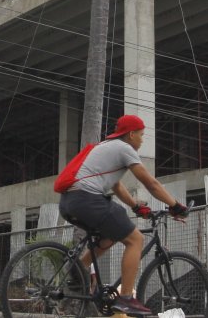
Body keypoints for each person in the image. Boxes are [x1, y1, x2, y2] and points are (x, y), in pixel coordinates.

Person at [57, 114, 188, 317]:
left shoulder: (105, 146)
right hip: (87, 200)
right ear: (131, 134)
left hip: (68, 203)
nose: (142, 140)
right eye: (141, 135)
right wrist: (175, 206)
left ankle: (79, 266)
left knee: (111, 235)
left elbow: (116, 185)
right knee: (136, 239)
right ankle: (126, 298)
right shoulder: (124, 148)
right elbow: (150, 183)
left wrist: (136, 206)